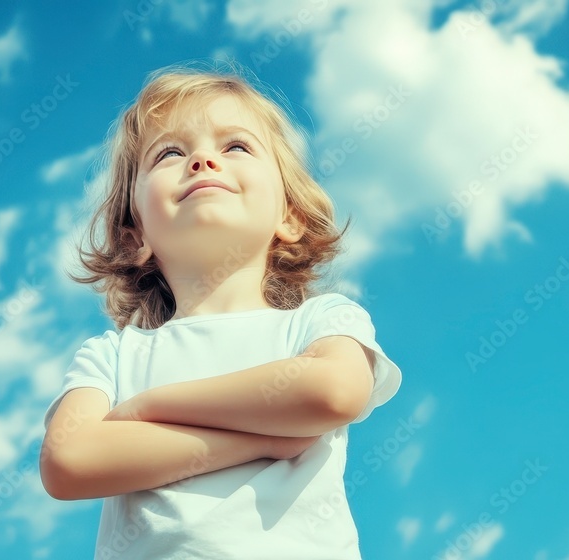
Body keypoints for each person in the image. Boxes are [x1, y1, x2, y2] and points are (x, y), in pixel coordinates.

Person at [39, 61, 403, 560]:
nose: (203, 160)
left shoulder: (320, 321)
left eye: (235, 146)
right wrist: (263, 441)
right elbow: (68, 461)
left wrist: (149, 407)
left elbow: (333, 391)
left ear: (289, 216)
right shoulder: (112, 354)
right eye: (169, 152)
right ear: (136, 235)